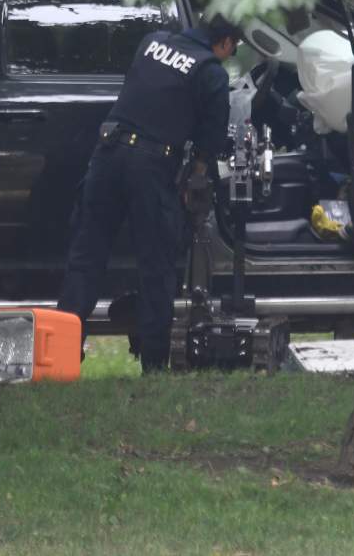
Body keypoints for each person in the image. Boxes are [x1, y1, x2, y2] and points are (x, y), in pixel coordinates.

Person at [57, 18, 240, 372]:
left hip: (107, 154)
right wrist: (194, 182)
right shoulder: (212, 73)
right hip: (151, 165)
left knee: (85, 258)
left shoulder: (152, 42)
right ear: (226, 43)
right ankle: (155, 365)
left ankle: (61, 355)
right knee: (155, 267)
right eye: (234, 50)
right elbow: (210, 144)